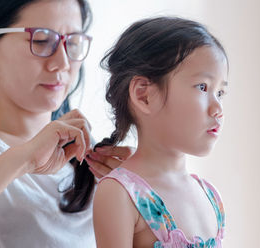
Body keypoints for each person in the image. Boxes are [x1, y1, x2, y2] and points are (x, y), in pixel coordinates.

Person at [0, 0, 131, 247]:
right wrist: (25, 158)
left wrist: (143, 192)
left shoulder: (92, 157)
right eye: (41, 40)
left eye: (72, 43)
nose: (62, 62)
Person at [93, 17, 228, 248]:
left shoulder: (210, 195)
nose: (218, 109)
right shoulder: (119, 194)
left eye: (220, 93)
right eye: (203, 87)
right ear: (144, 95)